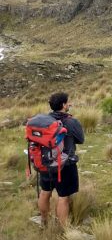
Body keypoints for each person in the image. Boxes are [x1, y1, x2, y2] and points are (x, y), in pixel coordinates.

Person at [38, 92, 84, 226]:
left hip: (45, 162)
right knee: (63, 197)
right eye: (68, 102)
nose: (70, 104)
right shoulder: (71, 121)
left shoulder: (44, 121)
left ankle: (44, 222)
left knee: (45, 192)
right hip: (65, 164)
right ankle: (64, 229)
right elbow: (81, 139)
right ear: (63, 105)